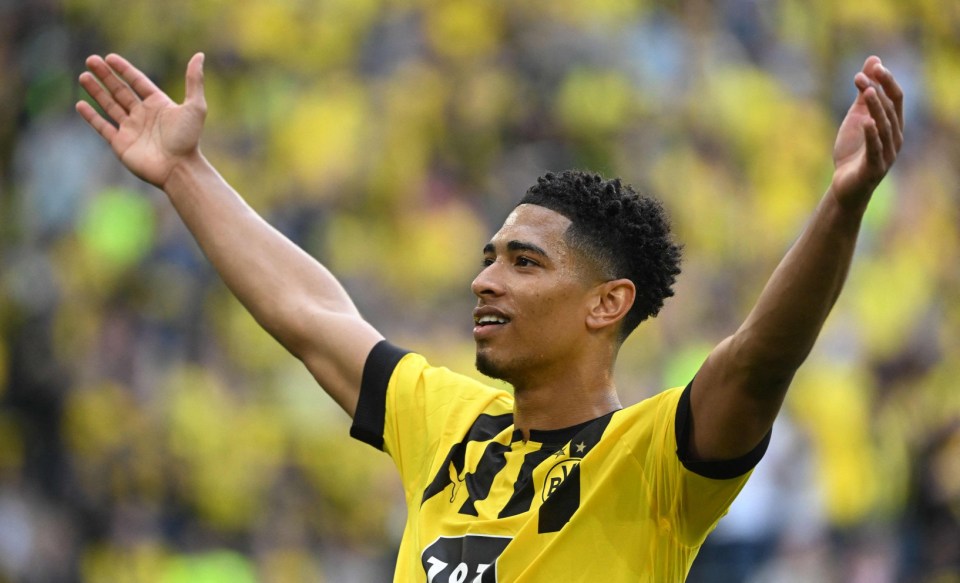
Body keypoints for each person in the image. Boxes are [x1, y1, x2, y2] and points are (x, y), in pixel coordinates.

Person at [76, 51, 903, 581]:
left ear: (607, 304)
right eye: (488, 256)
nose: (484, 280)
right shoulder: (445, 419)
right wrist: (185, 174)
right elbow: (309, 311)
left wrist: (842, 205)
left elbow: (761, 357)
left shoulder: (654, 463)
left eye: (523, 261)